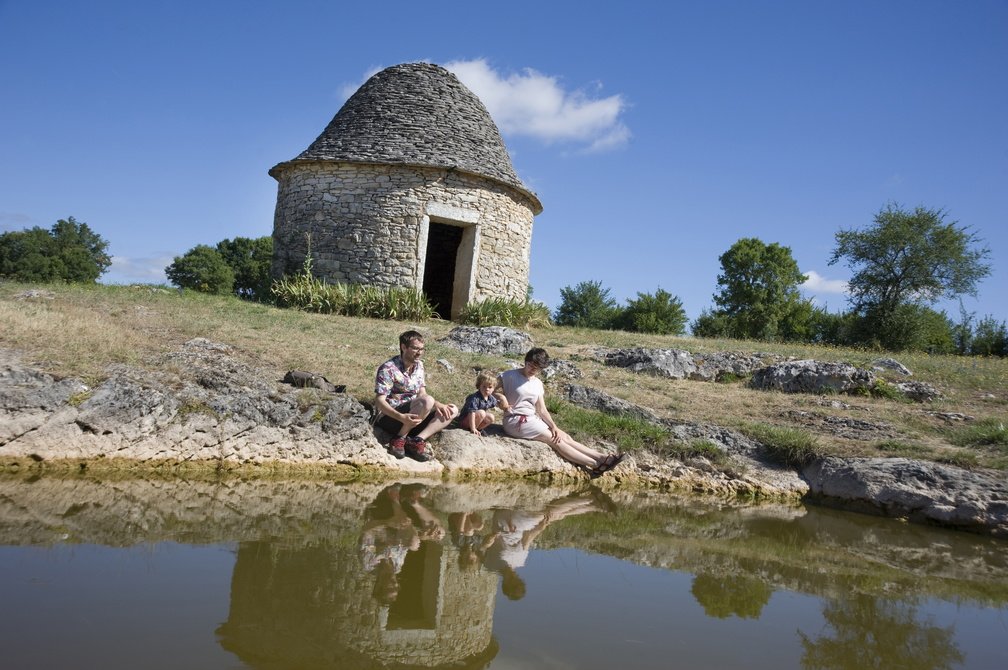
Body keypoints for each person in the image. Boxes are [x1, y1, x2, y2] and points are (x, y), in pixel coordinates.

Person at [495, 347, 625, 477]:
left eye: (538, 368)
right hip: (515, 420)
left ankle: (602, 458)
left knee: (564, 436)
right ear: (526, 361)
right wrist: (501, 398)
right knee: (555, 440)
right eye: (531, 365)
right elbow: (485, 390)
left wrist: (554, 426)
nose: (533, 370)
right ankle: (595, 464)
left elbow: (542, 410)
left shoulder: (537, 383)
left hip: (532, 419)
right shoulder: (509, 375)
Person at [374, 330, 459, 461]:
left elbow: (422, 394)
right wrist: (401, 417)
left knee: (452, 410)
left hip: (414, 416)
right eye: (415, 348)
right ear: (403, 347)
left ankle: (416, 440)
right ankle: (398, 439)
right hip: (392, 417)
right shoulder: (388, 368)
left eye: (422, 349)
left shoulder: (419, 366)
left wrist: (439, 405)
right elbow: (380, 402)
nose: (419, 353)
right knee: (427, 401)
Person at [458, 370, 499, 435]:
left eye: (490, 387)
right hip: (465, 420)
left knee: (491, 417)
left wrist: (506, 406)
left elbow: (497, 403)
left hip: (478, 419)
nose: (487, 389)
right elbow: (472, 413)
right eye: (484, 386)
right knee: (482, 413)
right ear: (479, 386)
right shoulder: (474, 398)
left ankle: (479, 429)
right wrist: (473, 428)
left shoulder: (490, 398)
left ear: (493, 388)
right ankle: (472, 429)